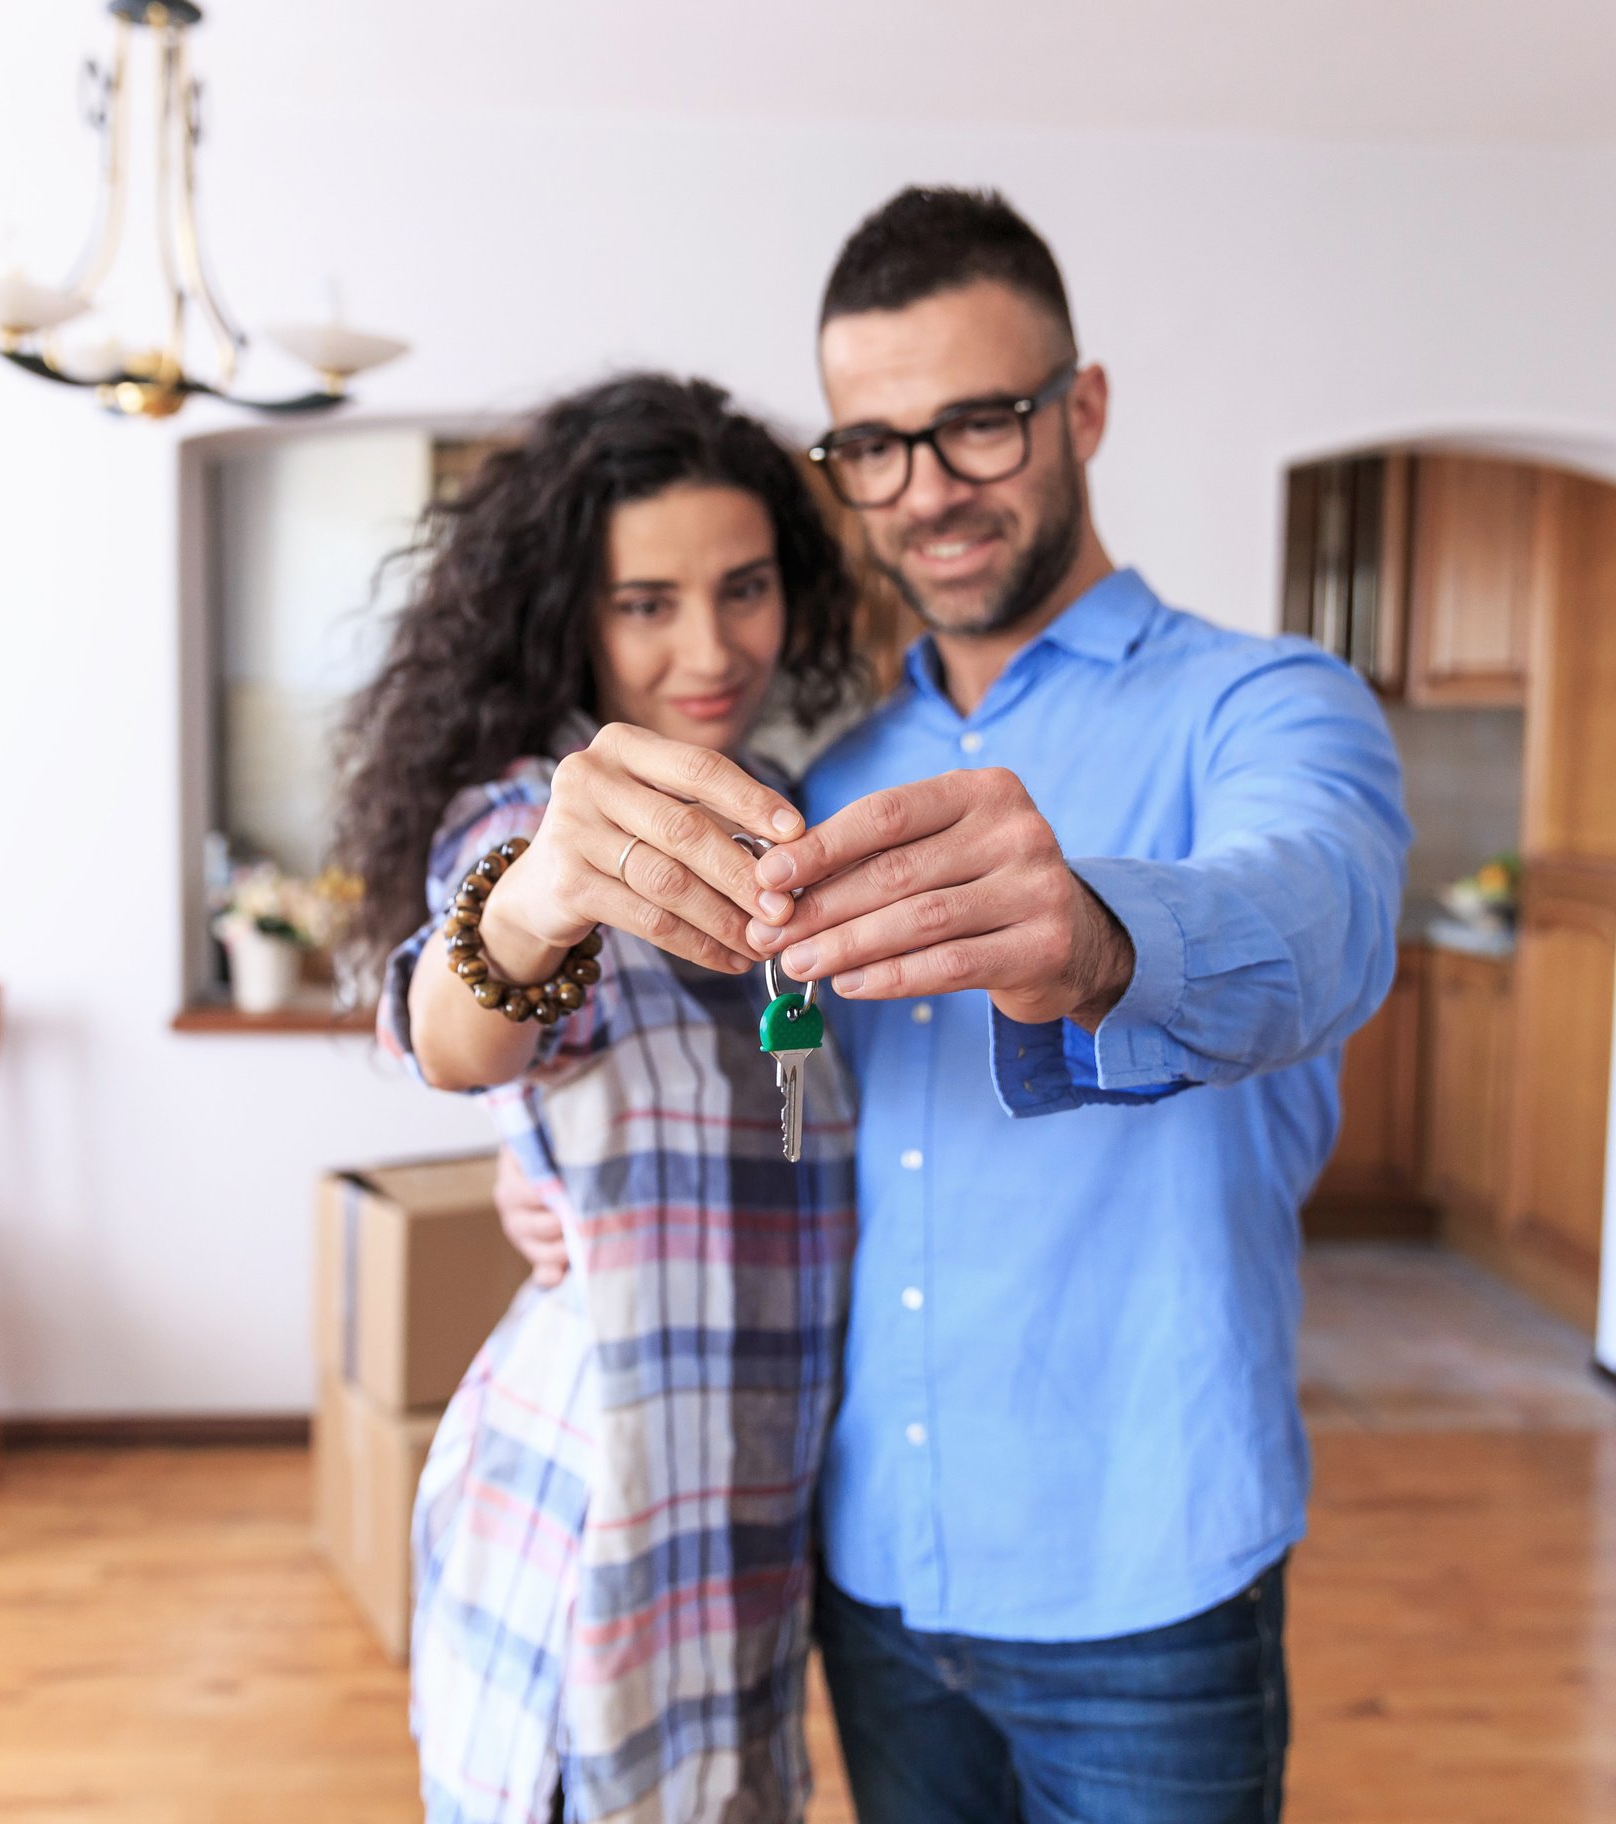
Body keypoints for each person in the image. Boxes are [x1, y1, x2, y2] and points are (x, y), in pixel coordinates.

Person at [492, 189, 1410, 1819]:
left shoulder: (1266, 705)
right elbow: (763, 1086)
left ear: (1085, 409)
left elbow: (1323, 915)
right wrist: (557, 1158)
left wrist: (1104, 936)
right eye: (876, 446)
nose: (930, 492)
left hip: (1149, 1574)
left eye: (979, 426)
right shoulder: (830, 778)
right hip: (875, 1577)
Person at [335, 374, 869, 1824]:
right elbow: (448, 1027)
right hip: (592, 1520)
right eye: (647, 603)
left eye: (745, 588)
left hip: (748, 1538)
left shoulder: (787, 815)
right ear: (570, 611)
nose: (710, 647)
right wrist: (541, 903)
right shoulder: (545, 819)